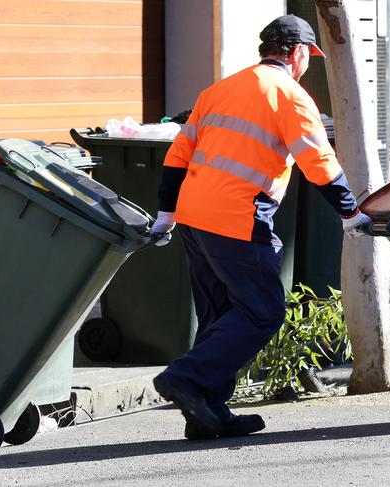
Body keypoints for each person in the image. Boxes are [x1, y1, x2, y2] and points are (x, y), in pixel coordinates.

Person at [151, 14, 372, 440]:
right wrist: (350, 214)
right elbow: (318, 162)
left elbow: (178, 154)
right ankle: (186, 378)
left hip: (194, 217)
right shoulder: (289, 94)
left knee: (219, 314)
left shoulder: (218, 89)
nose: (309, 63)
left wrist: (166, 213)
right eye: (310, 56)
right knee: (261, 310)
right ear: (298, 53)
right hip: (238, 217)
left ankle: (208, 412)